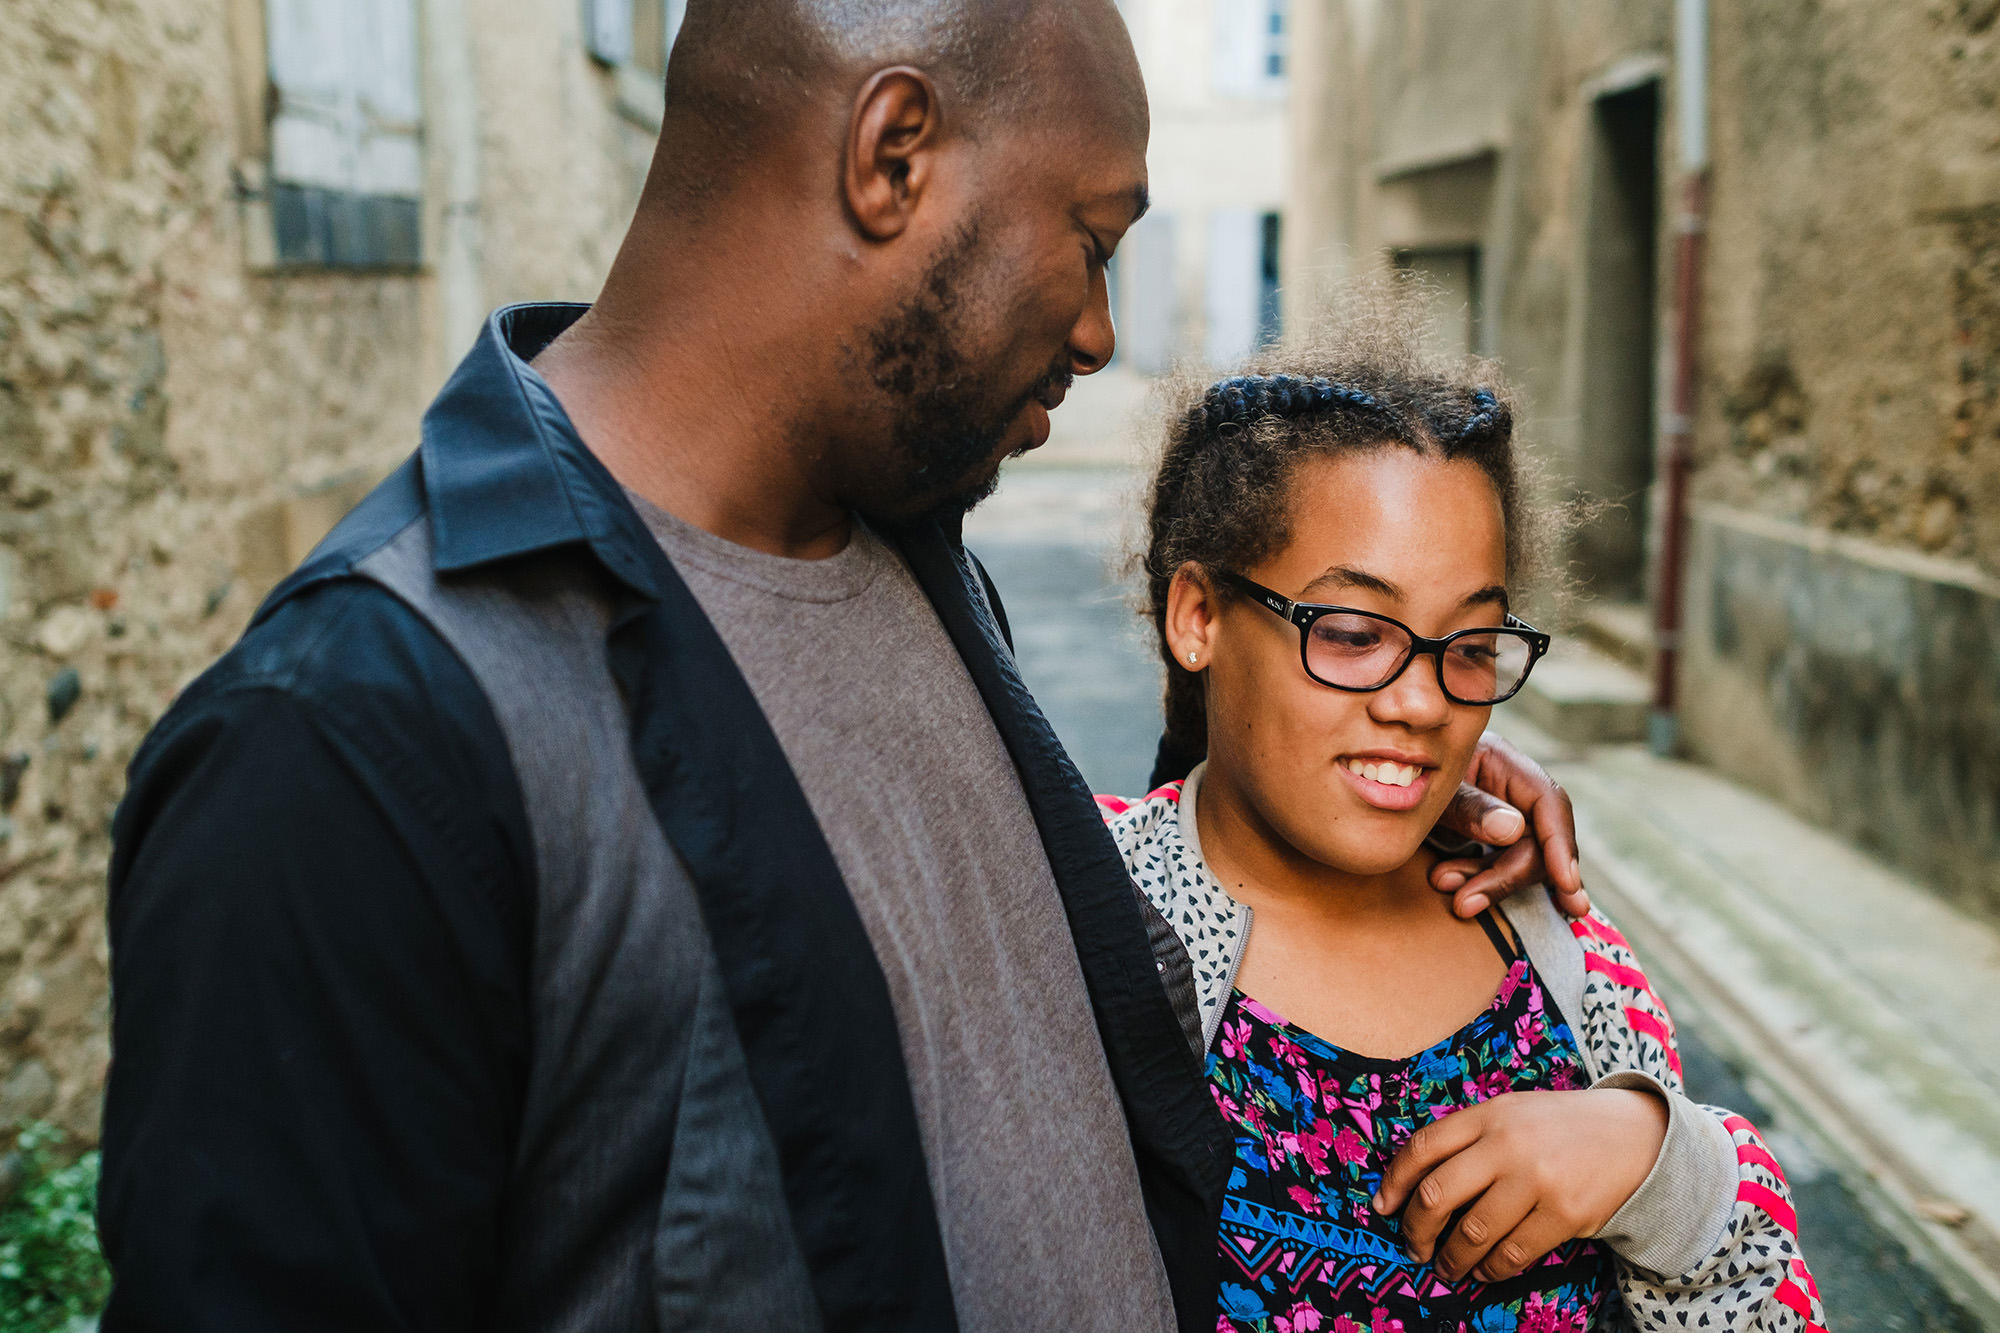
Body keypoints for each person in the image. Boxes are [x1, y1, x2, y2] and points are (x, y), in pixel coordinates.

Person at [98, 4, 1587, 1329]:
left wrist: (1399, 778)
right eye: (1092, 237)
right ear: (893, 154)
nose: (1097, 330)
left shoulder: (909, 547)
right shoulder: (351, 746)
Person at [1099, 300, 1827, 1331]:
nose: (1422, 700)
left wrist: (1649, 1158)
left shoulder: (1563, 961)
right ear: (1199, 615)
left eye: (1470, 646)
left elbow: (1757, 1296)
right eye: (1353, 632)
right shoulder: (1083, 926)